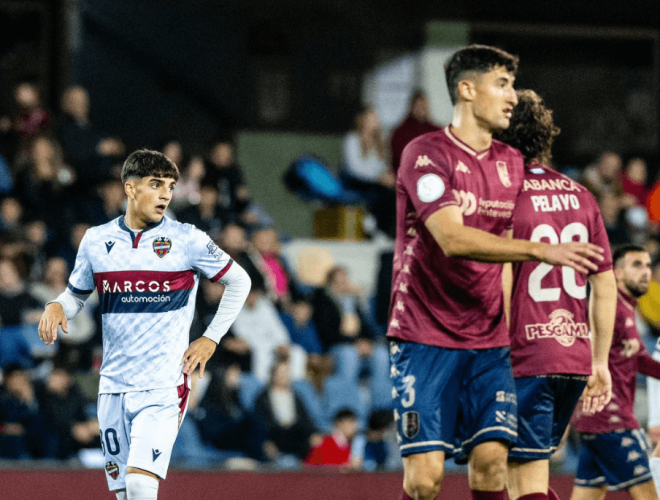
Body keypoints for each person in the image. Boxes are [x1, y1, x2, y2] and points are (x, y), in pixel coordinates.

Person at [387, 44, 606, 500]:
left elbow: (509, 256)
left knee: (492, 467)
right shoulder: (425, 155)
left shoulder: (511, 164)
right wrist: (542, 252)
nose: (512, 97)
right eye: (502, 85)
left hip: (488, 342)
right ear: (467, 90)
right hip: (424, 334)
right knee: (425, 481)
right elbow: (452, 239)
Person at [38, 149, 251, 500]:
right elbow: (75, 296)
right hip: (112, 386)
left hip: (163, 384)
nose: (166, 193)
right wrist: (57, 306)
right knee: (125, 495)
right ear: (130, 188)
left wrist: (211, 339)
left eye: (170, 185)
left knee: (140, 484)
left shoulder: (188, 239)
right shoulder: (96, 240)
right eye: (156, 184)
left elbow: (239, 281)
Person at [494, 89, 617, 500]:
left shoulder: (503, 196)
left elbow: (501, 278)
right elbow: (604, 282)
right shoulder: (582, 195)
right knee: (520, 476)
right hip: (573, 357)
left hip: (525, 354)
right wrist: (599, 360)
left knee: (520, 477)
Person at [571, 245, 660, 500]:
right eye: (636, 265)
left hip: (596, 423)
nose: (646, 272)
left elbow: (640, 360)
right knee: (650, 495)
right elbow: (582, 355)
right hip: (612, 420)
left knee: (587, 495)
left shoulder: (624, 309)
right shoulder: (606, 309)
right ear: (617, 273)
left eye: (647, 265)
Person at [390, 90, 440, 173]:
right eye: (419, 106)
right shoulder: (401, 132)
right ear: (412, 107)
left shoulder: (435, 131)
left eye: (424, 106)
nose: (422, 109)